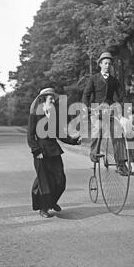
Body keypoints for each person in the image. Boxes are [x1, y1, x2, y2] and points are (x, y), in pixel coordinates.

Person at [27, 87, 81, 218]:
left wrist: (74, 141)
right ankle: (44, 208)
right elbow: (30, 135)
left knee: (60, 180)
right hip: (41, 152)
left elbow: (60, 135)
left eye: (53, 98)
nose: (53, 100)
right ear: (44, 100)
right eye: (51, 98)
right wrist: (36, 151)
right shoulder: (35, 115)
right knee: (44, 182)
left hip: (54, 151)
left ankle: (53, 202)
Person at [82, 51, 128, 176]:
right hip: (97, 109)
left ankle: (121, 164)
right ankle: (94, 154)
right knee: (98, 129)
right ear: (100, 64)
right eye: (105, 63)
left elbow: (122, 96)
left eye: (109, 63)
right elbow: (86, 94)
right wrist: (87, 107)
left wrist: (125, 109)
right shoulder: (94, 79)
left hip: (110, 109)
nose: (107, 65)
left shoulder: (114, 80)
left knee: (118, 134)